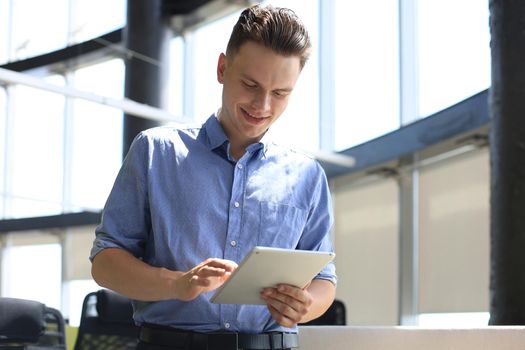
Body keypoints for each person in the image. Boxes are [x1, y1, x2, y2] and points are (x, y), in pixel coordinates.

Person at [90, 4, 337, 350]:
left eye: (280, 93)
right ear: (222, 68)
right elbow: (105, 263)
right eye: (250, 84)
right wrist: (176, 284)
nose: (262, 105)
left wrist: (306, 305)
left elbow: (324, 281)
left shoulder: (308, 176)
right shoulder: (156, 152)